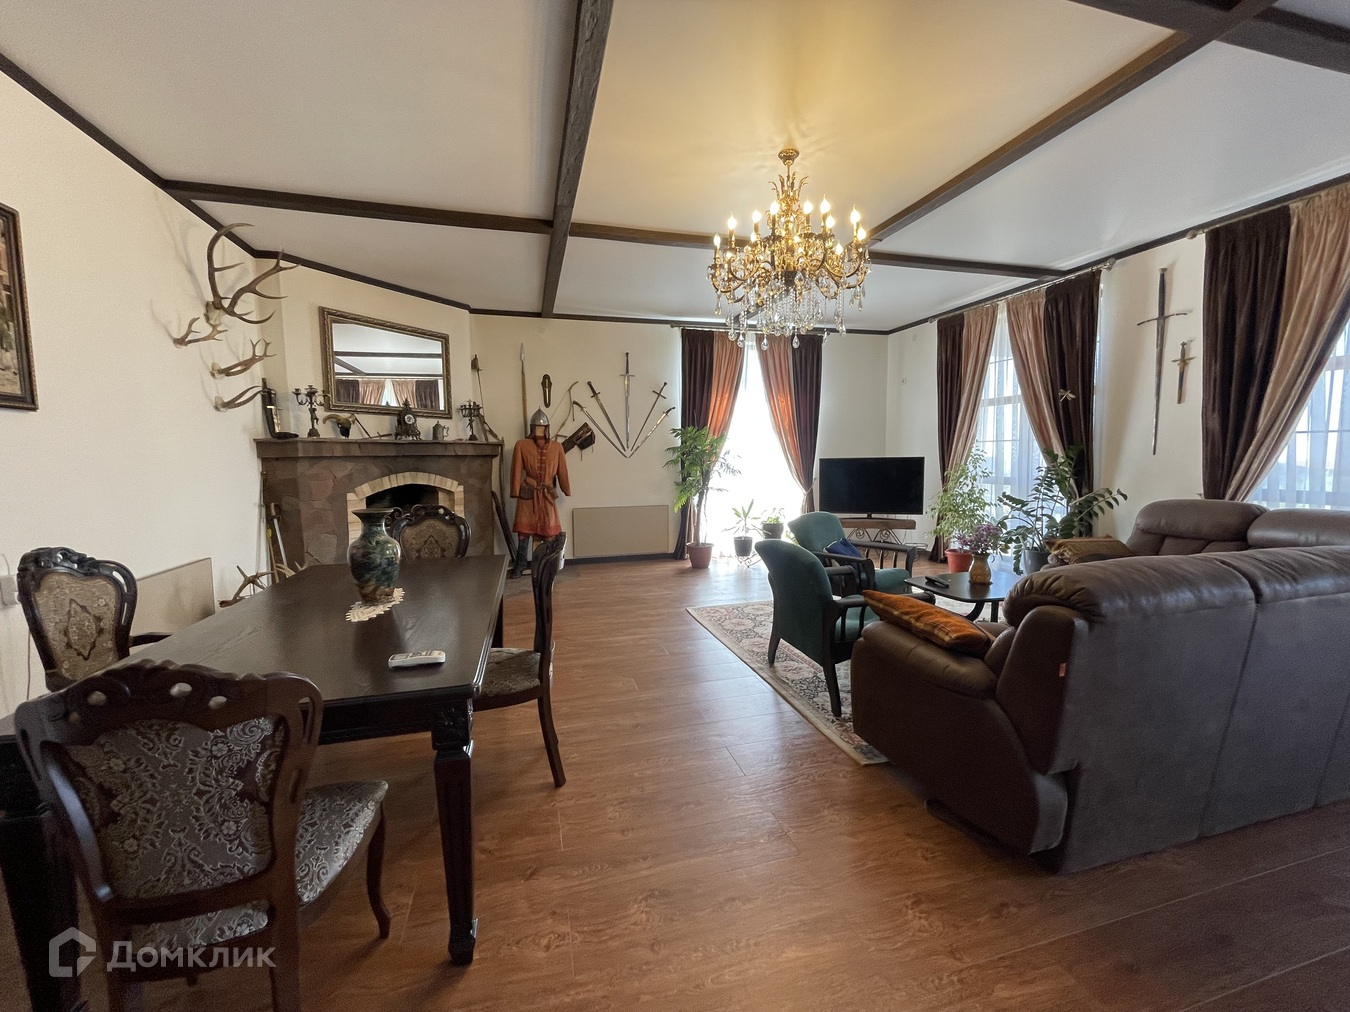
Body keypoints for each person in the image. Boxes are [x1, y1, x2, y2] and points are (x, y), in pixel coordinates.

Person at [510, 409, 570, 542]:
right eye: (537, 427)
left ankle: (545, 556)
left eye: (542, 427)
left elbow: (562, 471)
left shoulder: (557, 447)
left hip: (547, 494)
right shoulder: (521, 445)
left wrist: (566, 489)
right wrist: (515, 490)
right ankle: (521, 557)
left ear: (547, 428)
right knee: (524, 534)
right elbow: (516, 470)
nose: (539, 430)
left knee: (549, 534)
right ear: (532, 428)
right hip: (528, 494)